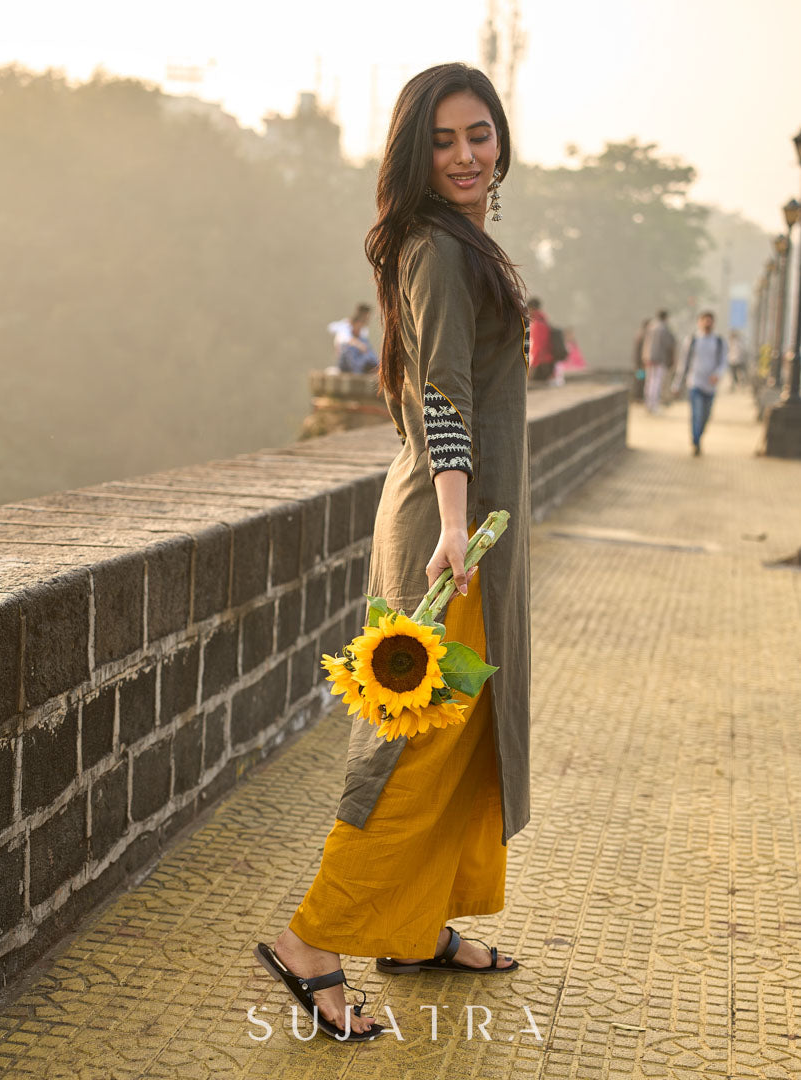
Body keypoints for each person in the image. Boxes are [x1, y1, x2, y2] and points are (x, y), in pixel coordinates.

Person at [253, 62, 531, 1041]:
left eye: (480, 134)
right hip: (448, 539)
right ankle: (311, 942)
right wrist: (456, 527)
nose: (466, 155)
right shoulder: (439, 252)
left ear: (502, 137)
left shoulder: (458, 243)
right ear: (418, 154)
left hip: (467, 530)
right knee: (414, 750)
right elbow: (444, 395)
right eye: (445, 140)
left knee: (458, 741)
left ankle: (413, 931)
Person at [671, 310, 728, 456]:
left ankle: (699, 436)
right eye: (705, 320)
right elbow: (683, 364)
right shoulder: (692, 340)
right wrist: (677, 384)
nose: (707, 324)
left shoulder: (719, 342)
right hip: (694, 382)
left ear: (713, 323)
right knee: (696, 413)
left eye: (710, 321)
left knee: (705, 416)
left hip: (711, 385)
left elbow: (723, 362)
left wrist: (717, 374)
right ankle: (696, 442)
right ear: (699, 322)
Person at [641, 310, 676, 413]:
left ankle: (648, 404)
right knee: (656, 383)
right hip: (659, 359)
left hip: (648, 359)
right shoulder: (663, 329)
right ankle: (654, 405)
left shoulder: (650, 327)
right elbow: (670, 344)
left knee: (649, 383)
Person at [527, 296, 553, 382]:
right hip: (548, 361)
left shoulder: (537, 324)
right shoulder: (544, 319)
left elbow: (538, 347)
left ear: (532, 308)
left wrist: (532, 366)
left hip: (540, 363)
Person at [631, 317, 649, 402]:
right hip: (640, 363)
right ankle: (638, 397)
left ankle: (638, 397)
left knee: (640, 379)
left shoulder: (640, 334)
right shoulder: (643, 336)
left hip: (639, 362)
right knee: (640, 380)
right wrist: (641, 362)